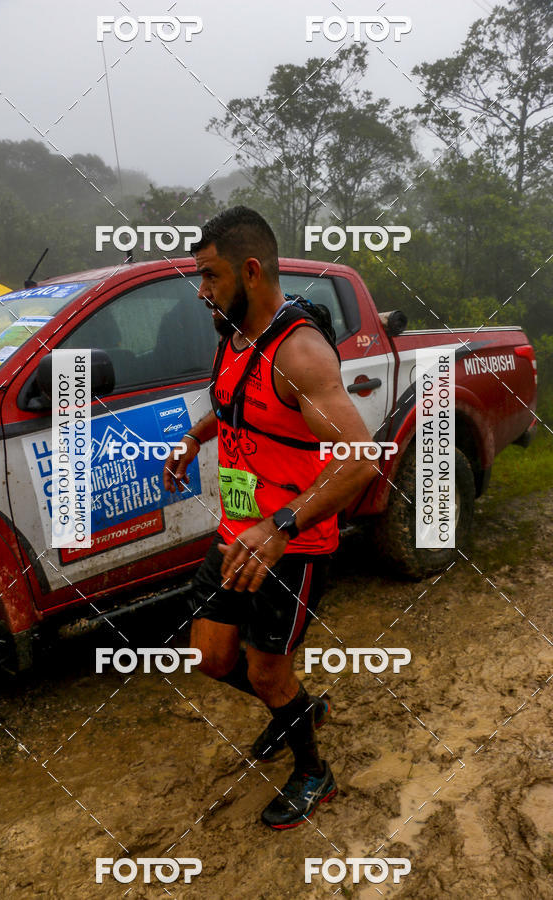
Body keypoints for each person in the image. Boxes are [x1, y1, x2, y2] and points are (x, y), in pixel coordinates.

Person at [163, 206, 375, 829]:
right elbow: (235, 405)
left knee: (265, 667)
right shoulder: (234, 336)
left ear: (250, 270)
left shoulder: (300, 353)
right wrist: (197, 437)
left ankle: (314, 772)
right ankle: (299, 711)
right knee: (208, 655)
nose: (202, 293)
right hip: (237, 532)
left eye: (210, 277)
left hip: (292, 542)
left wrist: (278, 527)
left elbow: (361, 459)